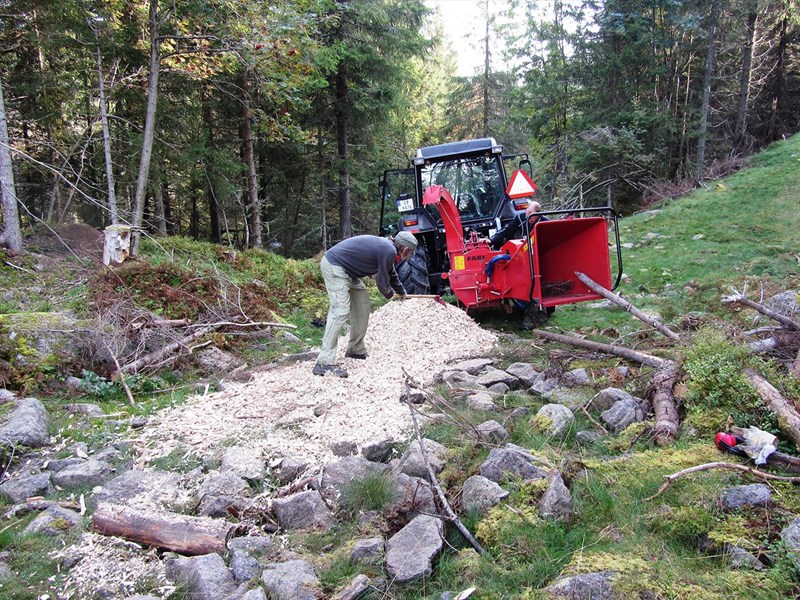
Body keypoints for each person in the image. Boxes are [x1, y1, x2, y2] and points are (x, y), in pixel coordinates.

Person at [313, 232, 418, 377]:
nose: (410, 255)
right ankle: (323, 363)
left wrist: (402, 292)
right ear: (406, 249)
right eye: (410, 252)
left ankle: (355, 349)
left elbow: (390, 272)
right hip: (335, 266)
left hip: (349, 272)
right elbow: (382, 280)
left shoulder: (388, 248)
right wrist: (389, 294)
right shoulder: (389, 250)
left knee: (362, 302)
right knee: (340, 310)